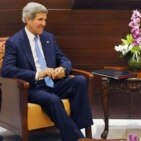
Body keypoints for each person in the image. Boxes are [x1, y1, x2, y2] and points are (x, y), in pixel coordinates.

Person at [1, 2, 93, 141]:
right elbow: (7, 70)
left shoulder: (48, 38)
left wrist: (63, 69)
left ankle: (80, 131)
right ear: (28, 20)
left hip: (53, 83)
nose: (44, 23)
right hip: (31, 88)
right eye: (40, 19)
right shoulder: (15, 42)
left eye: (45, 19)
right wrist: (38, 74)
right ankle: (77, 139)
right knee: (53, 100)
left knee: (80, 81)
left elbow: (64, 59)